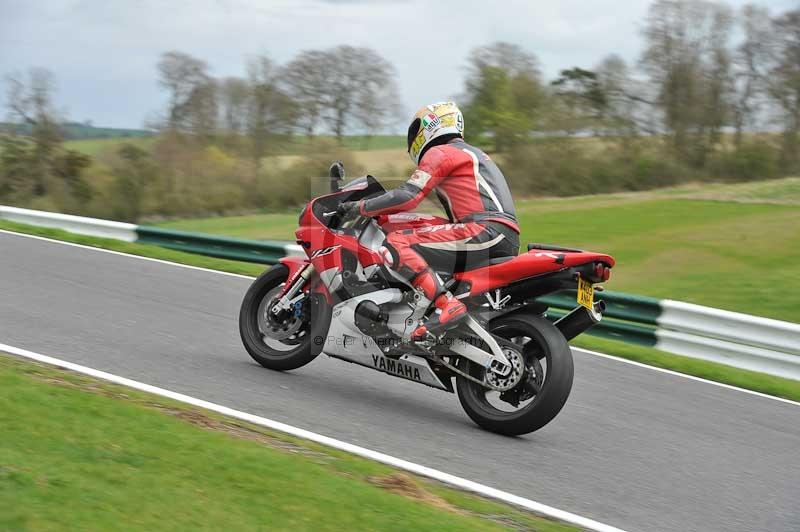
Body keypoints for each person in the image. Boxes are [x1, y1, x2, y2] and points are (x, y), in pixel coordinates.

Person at [338, 102, 519, 340]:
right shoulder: (472, 153)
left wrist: (360, 207)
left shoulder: (441, 152)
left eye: (415, 132)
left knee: (396, 244)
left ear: (432, 125)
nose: (413, 140)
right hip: (503, 235)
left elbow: (408, 195)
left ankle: (446, 304)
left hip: (483, 230)